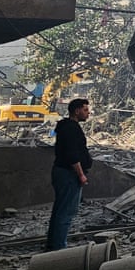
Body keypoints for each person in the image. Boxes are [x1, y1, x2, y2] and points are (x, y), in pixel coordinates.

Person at [45, 98, 92, 250]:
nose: (88, 113)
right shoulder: (71, 128)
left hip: (62, 172)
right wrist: (81, 175)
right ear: (76, 111)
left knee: (60, 210)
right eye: (85, 110)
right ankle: (58, 247)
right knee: (66, 212)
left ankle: (53, 244)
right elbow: (72, 155)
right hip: (69, 174)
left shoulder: (65, 126)